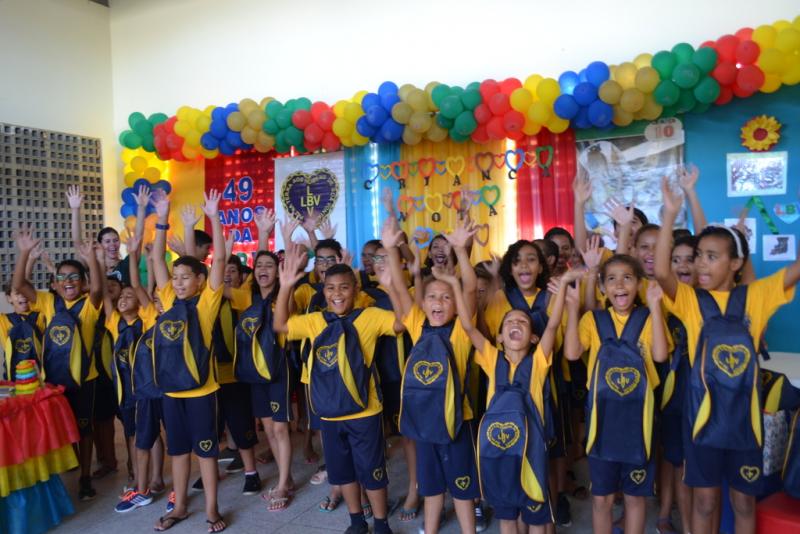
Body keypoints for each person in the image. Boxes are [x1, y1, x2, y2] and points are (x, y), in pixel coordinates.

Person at [655, 177, 800, 534]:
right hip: (701, 424)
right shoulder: (690, 301)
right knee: (705, 501)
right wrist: (672, 214)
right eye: (698, 256)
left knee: (742, 501)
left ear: (736, 264)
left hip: (745, 425)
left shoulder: (758, 296)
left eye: (712, 257)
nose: (701, 265)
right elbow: (661, 272)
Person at [274, 245, 405, 534]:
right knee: (342, 470)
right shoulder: (316, 321)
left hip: (365, 411)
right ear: (323, 290)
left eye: (344, 288)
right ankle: (356, 521)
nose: (337, 294)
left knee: (372, 471)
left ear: (356, 289)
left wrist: (390, 287)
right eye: (331, 288)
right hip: (329, 413)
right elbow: (280, 324)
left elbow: (402, 322)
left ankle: (381, 524)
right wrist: (285, 286)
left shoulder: (369, 316)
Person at [457, 266, 580, 534]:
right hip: (498, 453)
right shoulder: (491, 359)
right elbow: (467, 325)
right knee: (508, 518)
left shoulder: (538, 363)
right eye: (509, 322)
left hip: (533, 453)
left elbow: (553, 324)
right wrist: (455, 284)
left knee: (536, 516)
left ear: (534, 337)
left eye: (523, 322)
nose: (515, 323)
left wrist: (566, 286)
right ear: (499, 337)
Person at [383, 217, 481, 534]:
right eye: (432, 297)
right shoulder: (417, 326)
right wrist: (389, 249)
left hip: (457, 421)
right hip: (425, 425)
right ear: (422, 303)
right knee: (431, 486)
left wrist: (461, 253)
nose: (438, 302)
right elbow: (399, 286)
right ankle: (431, 528)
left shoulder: (462, 333)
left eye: (446, 297)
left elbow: (469, 288)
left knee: (463, 489)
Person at [565, 254, 669, 534]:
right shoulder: (594, 319)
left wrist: (656, 307)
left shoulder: (647, 318)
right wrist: (573, 310)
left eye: (627, 278)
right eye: (611, 279)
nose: (619, 285)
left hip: (639, 424)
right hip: (603, 424)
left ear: (639, 284)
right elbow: (572, 353)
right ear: (601, 287)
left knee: (636, 497)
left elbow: (660, 354)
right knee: (602, 498)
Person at [150, 190, 228, 533]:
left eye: (185, 277)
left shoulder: (206, 304)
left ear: (199, 281)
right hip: (172, 392)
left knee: (206, 452)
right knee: (178, 452)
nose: (178, 282)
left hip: (201, 392)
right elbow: (155, 259)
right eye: (175, 277)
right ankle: (179, 506)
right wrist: (163, 219)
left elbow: (221, 262)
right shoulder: (167, 299)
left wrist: (213, 217)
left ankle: (211, 509)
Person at [12, 225, 104, 501]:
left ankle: (86, 476)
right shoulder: (49, 304)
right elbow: (19, 286)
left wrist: (91, 260)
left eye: (75, 277)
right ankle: (66, 474)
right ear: (56, 281)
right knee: (60, 429)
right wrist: (25, 252)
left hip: (83, 381)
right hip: (53, 384)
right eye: (63, 277)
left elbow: (98, 288)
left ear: (83, 281)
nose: (68, 281)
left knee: (85, 431)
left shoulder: (89, 305)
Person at [228, 250, 295, 510]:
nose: (263, 269)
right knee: (268, 430)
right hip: (255, 372)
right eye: (259, 265)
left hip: (278, 370)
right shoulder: (246, 297)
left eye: (270, 265)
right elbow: (215, 288)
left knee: (280, 428)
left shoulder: (283, 297)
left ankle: (281, 484)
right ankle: (285, 478)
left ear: (278, 272)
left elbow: (288, 317)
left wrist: (287, 285)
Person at [106, 236, 163, 512]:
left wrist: (141, 256)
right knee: (136, 436)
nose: (124, 298)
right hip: (126, 391)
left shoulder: (147, 318)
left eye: (130, 297)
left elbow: (140, 286)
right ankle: (140, 483)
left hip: (148, 388)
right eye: (122, 296)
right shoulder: (115, 323)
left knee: (149, 436)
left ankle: (151, 482)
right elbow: (105, 293)